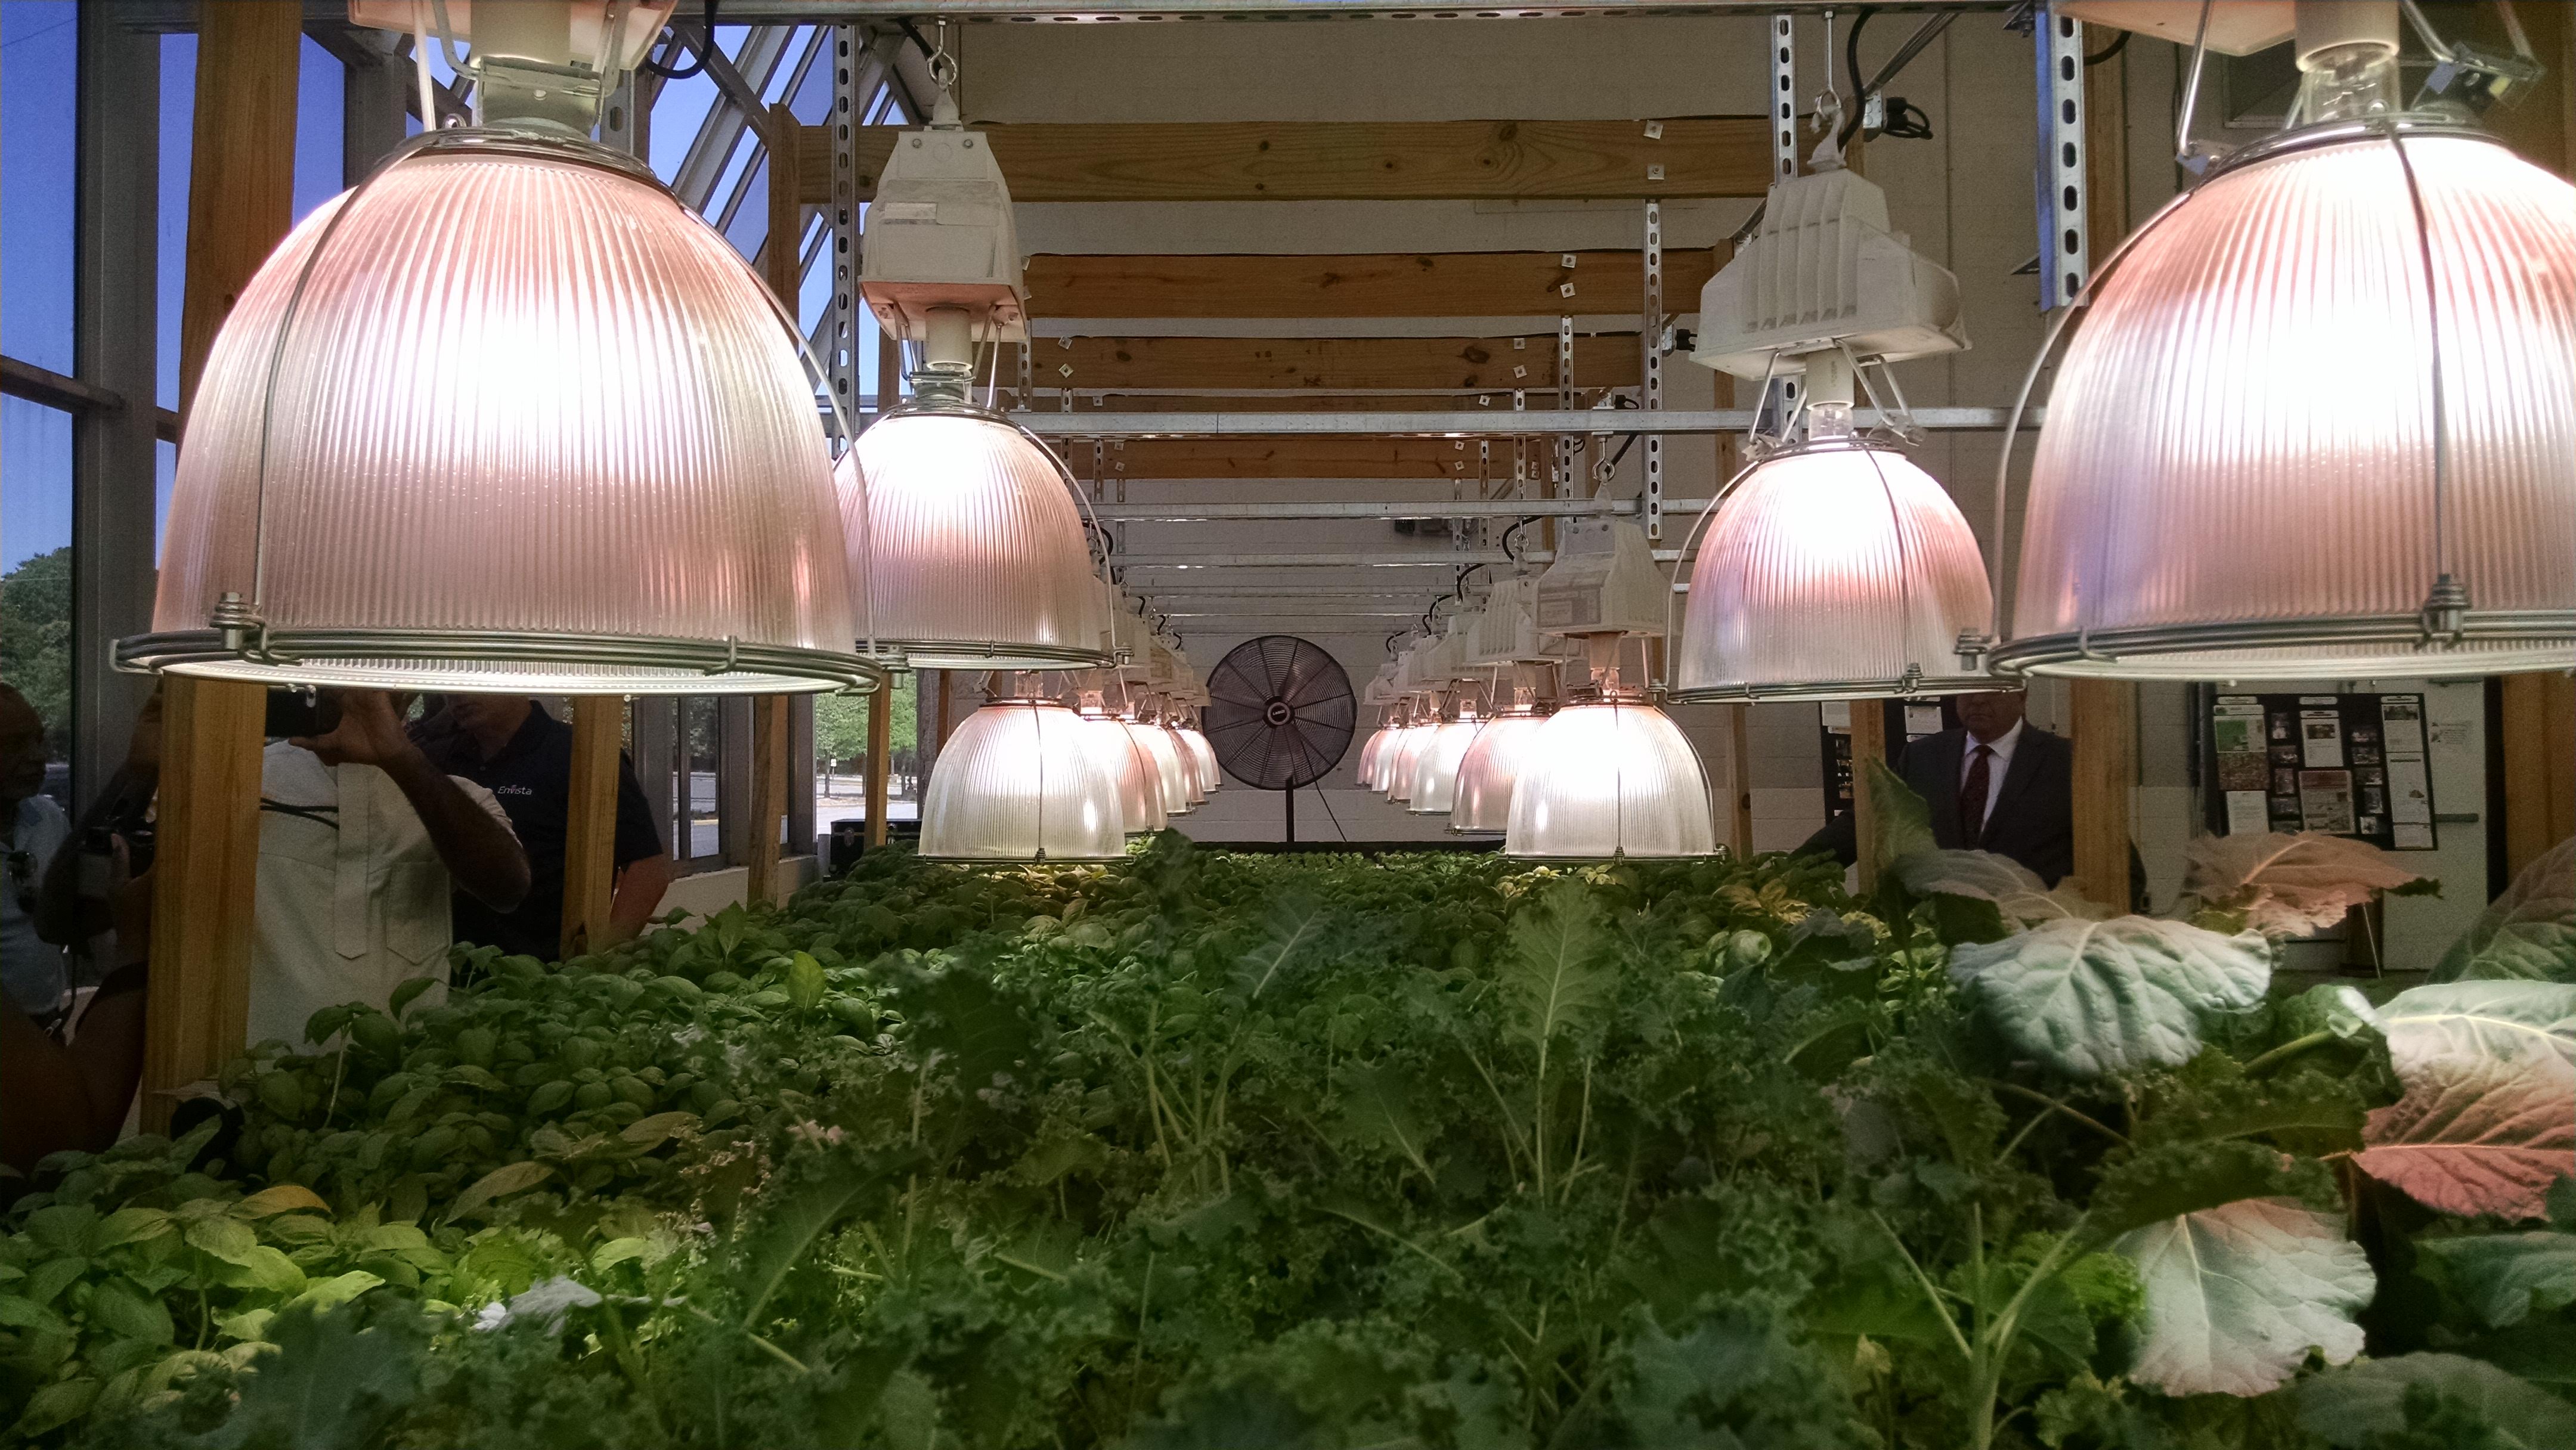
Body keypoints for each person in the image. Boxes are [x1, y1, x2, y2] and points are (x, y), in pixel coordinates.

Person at [413, 696, 670, 960]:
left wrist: (596, 963)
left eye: (475, 676)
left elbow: (648, 871)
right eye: (454, 680)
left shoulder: (579, 755)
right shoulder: (441, 758)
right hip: (453, 973)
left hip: (541, 977)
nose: (458, 695)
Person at [1803, 690, 2085, 890]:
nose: (1978, 699)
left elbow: (2109, 846)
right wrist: (1788, 875)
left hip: (2036, 933)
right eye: (1967, 690)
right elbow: (1865, 821)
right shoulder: (1923, 756)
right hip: (1942, 930)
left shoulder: (2066, 761)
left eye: (1992, 689)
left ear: (2021, 696)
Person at [1, 686, 70, 1021]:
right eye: (14, 745)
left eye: (38, 740)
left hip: (47, 1021)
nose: (38, 756)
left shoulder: (48, 818)